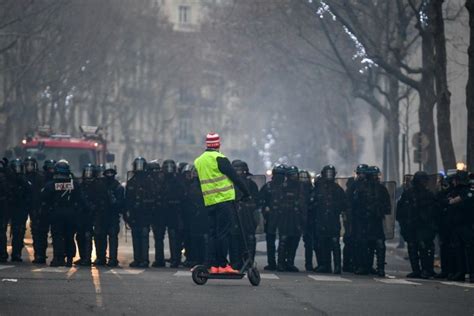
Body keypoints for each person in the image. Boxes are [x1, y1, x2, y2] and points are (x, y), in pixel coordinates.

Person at [194, 132, 250, 274]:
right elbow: (235, 178)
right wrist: (246, 193)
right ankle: (223, 265)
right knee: (223, 234)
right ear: (218, 144)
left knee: (213, 234)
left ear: (207, 144)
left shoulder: (198, 161)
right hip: (224, 201)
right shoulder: (220, 159)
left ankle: (213, 264)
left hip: (209, 202)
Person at [41, 160, 82, 267]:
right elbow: (80, 200)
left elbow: (44, 199)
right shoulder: (74, 184)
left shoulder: (51, 184)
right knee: (69, 236)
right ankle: (69, 258)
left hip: (56, 214)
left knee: (57, 236)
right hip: (71, 214)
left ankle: (58, 258)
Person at [351, 166, 391, 277]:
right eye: (374, 175)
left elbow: (387, 207)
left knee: (379, 244)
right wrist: (364, 212)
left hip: (376, 221)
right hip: (364, 221)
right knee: (363, 244)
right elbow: (354, 206)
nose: (376, 177)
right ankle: (364, 267)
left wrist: (378, 210)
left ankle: (380, 268)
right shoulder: (360, 189)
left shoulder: (382, 189)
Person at [397, 171, 437, 279]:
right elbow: (400, 209)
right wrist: (403, 222)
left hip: (424, 227)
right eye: (423, 181)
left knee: (425, 248)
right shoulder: (408, 193)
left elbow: (434, 211)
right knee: (412, 248)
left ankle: (426, 270)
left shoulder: (429, 194)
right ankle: (417, 270)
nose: (424, 183)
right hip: (412, 226)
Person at [311, 165, 347, 274]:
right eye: (327, 172)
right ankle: (325, 265)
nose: (329, 175)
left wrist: (336, 208)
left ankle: (337, 267)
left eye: (331, 173)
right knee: (322, 244)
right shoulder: (318, 188)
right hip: (321, 219)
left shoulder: (337, 189)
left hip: (333, 220)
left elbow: (344, 204)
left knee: (335, 243)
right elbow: (311, 203)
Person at [229, 160, 259, 270]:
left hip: (247, 218)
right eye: (236, 170)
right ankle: (235, 263)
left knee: (249, 240)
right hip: (234, 216)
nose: (238, 173)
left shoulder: (251, 185)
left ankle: (248, 262)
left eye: (240, 170)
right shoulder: (229, 184)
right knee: (234, 240)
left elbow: (256, 201)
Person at [125, 157, 154, 268]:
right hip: (134, 214)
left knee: (143, 236)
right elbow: (127, 199)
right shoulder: (131, 181)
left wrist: (146, 204)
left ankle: (145, 260)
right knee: (135, 237)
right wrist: (126, 213)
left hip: (145, 213)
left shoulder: (149, 181)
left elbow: (153, 197)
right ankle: (137, 259)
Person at [277, 165, 306, 272]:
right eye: (293, 174)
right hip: (285, 217)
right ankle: (280, 263)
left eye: (296, 174)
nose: (295, 176)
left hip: (296, 218)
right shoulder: (283, 186)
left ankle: (290, 262)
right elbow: (279, 201)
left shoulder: (300, 186)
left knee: (294, 241)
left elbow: (303, 202)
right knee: (283, 240)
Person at [259, 164, 286, 271]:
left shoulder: (287, 187)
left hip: (283, 217)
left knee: (282, 241)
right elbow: (260, 200)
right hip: (271, 217)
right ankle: (272, 263)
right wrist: (265, 209)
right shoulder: (268, 187)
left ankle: (281, 263)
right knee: (271, 241)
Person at [5, 158, 31, 262]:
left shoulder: (23, 180)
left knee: (18, 232)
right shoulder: (6, 179)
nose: (17, 170)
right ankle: (4, 254)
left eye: (19, 168)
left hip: (19, 209)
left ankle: (16, 254)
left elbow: (29, 193)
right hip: (8, 207)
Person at [161, 159, 186, 268]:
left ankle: (176, 258)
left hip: (176, 213)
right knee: (172, 237)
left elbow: (182, 196)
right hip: (166, 212)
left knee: (176, 237)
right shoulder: (161, 180)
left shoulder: (178, 180)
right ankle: (174, 258)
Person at [98, 165, 124, 267]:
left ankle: (113, 259)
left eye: (111, 173)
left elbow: (120, 204)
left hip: (113, 216)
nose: (109, 175)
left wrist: (114, 201)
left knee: (113, 238)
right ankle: (101, 258)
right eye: (107, 173)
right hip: (102, 216)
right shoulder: (100, 185)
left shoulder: (118, 187)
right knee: (101, 238)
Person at [24, 157, 47, 264]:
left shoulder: (39, 177)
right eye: (27, 164)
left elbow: (40, 193)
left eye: (31, 165)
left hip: (36, 206)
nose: (29, 167)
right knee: (19, 230)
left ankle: (39, 254)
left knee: (37, 231)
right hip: (24, 205)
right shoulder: (23, 176)